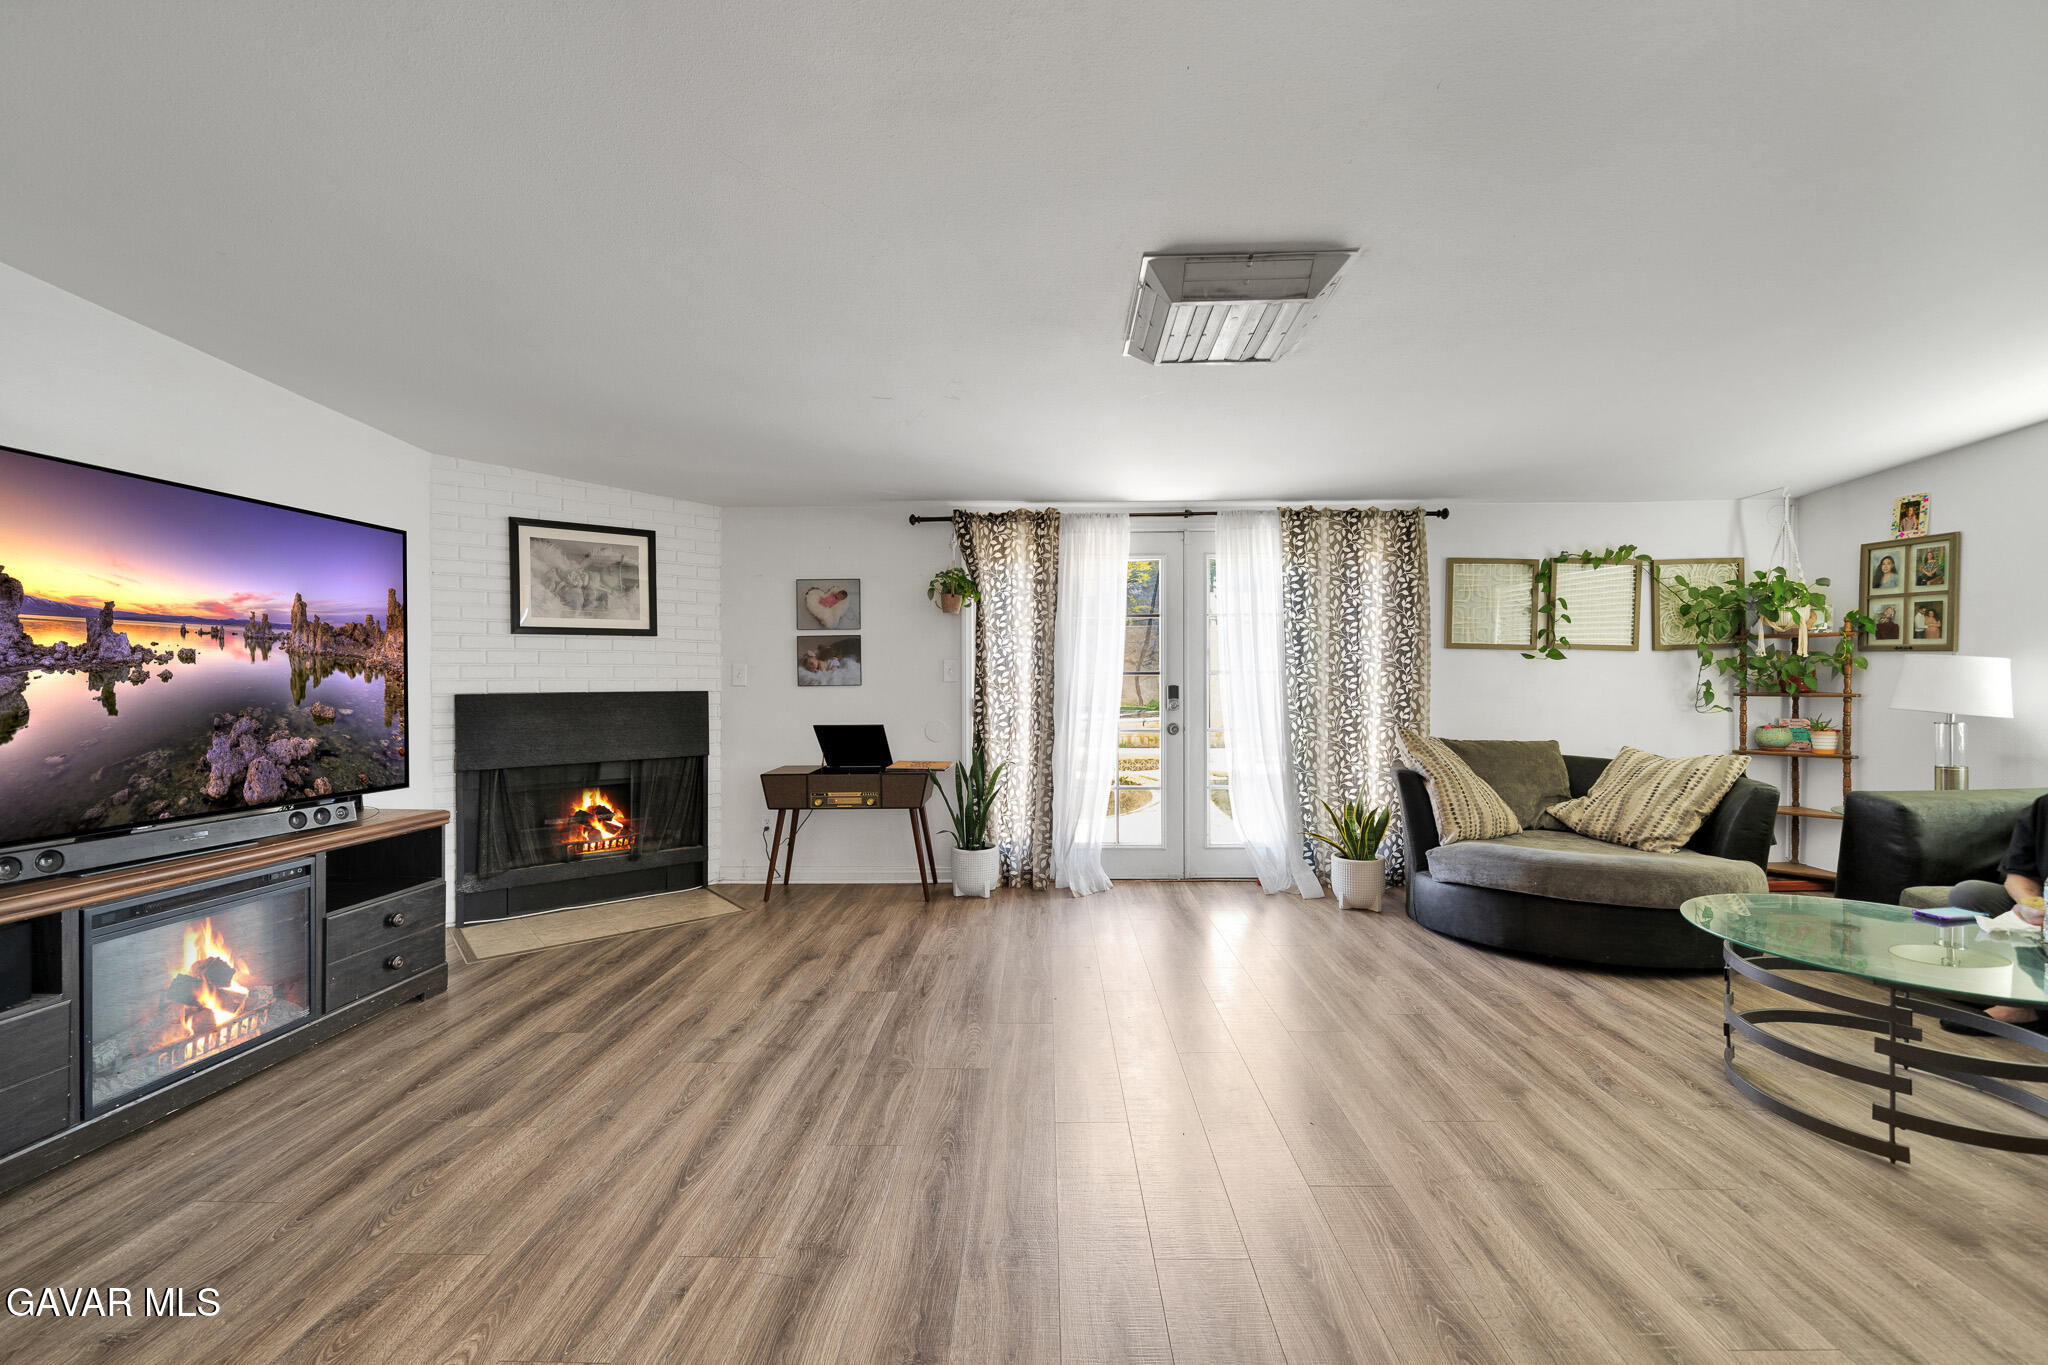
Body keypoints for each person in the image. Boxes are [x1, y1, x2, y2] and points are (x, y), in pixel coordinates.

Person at [1946, 793, 2048, 1030]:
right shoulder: (2043, 808)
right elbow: (2018, 875)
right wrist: (2031, 905)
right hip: (2043, 909)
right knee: (1968, 894)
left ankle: (2029, 1010)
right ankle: (2019, 995)